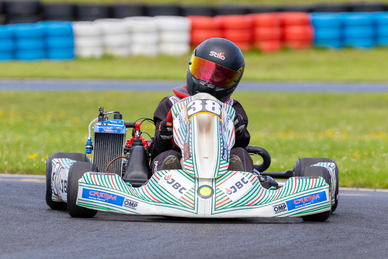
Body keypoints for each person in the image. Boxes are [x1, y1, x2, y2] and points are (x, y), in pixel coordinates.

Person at [151, 38, 253, 174]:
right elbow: (156, 149)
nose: (208, 81)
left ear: (231, 80)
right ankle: (165, 180)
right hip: (181, 165)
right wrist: (163, 137)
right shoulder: (170, 103)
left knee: (240, 154)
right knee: (168, 156)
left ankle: (243, 185)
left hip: (222, 167)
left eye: (219, 76)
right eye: (204, 72)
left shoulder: (232, 108)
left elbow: (242, 144)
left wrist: (240, 131)